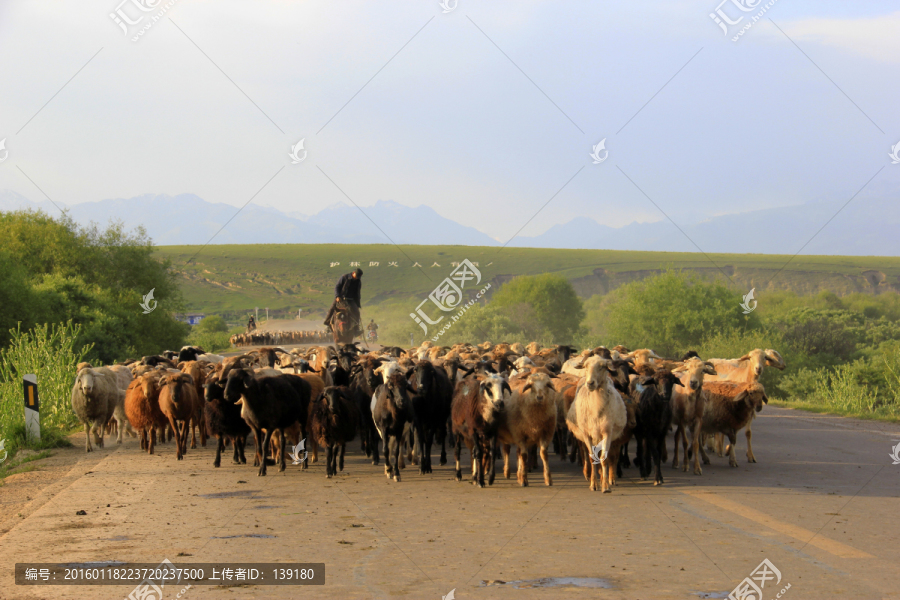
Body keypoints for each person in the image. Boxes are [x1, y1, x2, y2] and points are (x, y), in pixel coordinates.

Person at [323, 268, 363, 336]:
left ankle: (356, 329)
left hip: (351, 300)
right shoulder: (344, 277)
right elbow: (337, 287)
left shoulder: (358, 281)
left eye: (358, 277)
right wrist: (337, 296)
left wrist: (357, 305)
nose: (357, 278)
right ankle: (327, 325)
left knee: (357, 312)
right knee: (332, 309)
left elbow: (357, 293)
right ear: (353, 273)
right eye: (356, 276)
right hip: (341, 298)